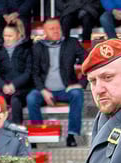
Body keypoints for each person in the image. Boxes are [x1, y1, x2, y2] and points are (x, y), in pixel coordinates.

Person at [28, 19, 86, 147]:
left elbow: (89, 62)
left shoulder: (71, 43)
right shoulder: (38, 47)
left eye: (57, 28)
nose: (55, 31)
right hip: (45, 89)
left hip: (66, 89)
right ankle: (39, 135)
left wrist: (81, 84)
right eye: (51, 28)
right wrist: (43, 90)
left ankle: (71, 135)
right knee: (31, 98)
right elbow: (34, 73)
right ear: (44, 31)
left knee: (77, 94)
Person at [0, 21, 33, 124]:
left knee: (15, 100)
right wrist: (3, 86)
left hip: (23, 88)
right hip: (4, 88)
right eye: (5, 35)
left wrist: (14, 85)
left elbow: (28, 72)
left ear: (18, 35)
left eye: (10, 36)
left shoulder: (26, 49)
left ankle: (17, 130)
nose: (7, 38)